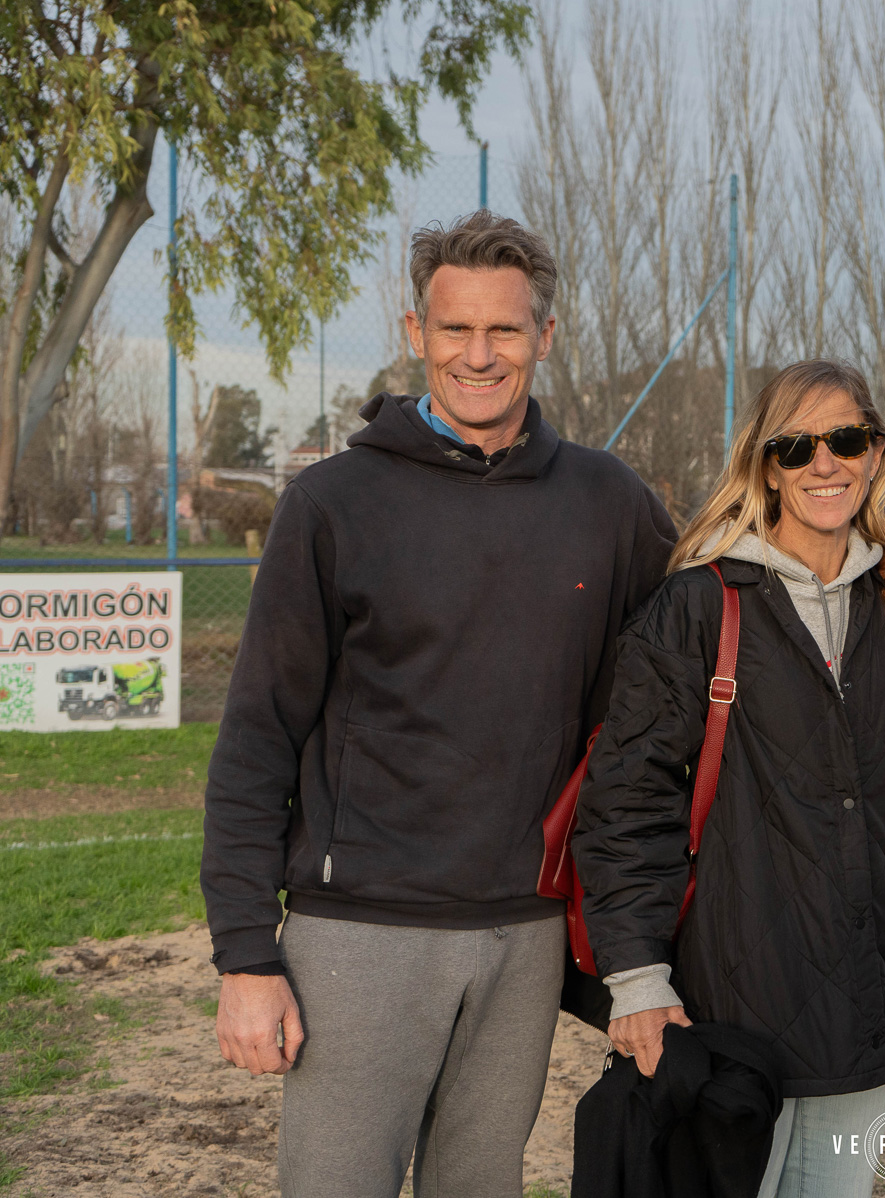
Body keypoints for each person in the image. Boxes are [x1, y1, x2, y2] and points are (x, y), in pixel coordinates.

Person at [199, 210, 681, 1196]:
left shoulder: (608, 501)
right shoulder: (332, 502)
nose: (479, 354)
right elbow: (257, 734)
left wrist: (881, 570)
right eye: (455, 328)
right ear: (417, 332)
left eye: (505, 329)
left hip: (525, 936)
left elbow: (712, 620)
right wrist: (245, 954)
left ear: (545, 336)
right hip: (360, 931)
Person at [572, 360, 885, 1198]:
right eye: (796, 447)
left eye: (846, 440)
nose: (824, 464)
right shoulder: (699, 606)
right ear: (766, 468)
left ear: (875, 454)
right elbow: (627, 802)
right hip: (727, 1020)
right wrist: (638, 980)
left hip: (859, 1015)